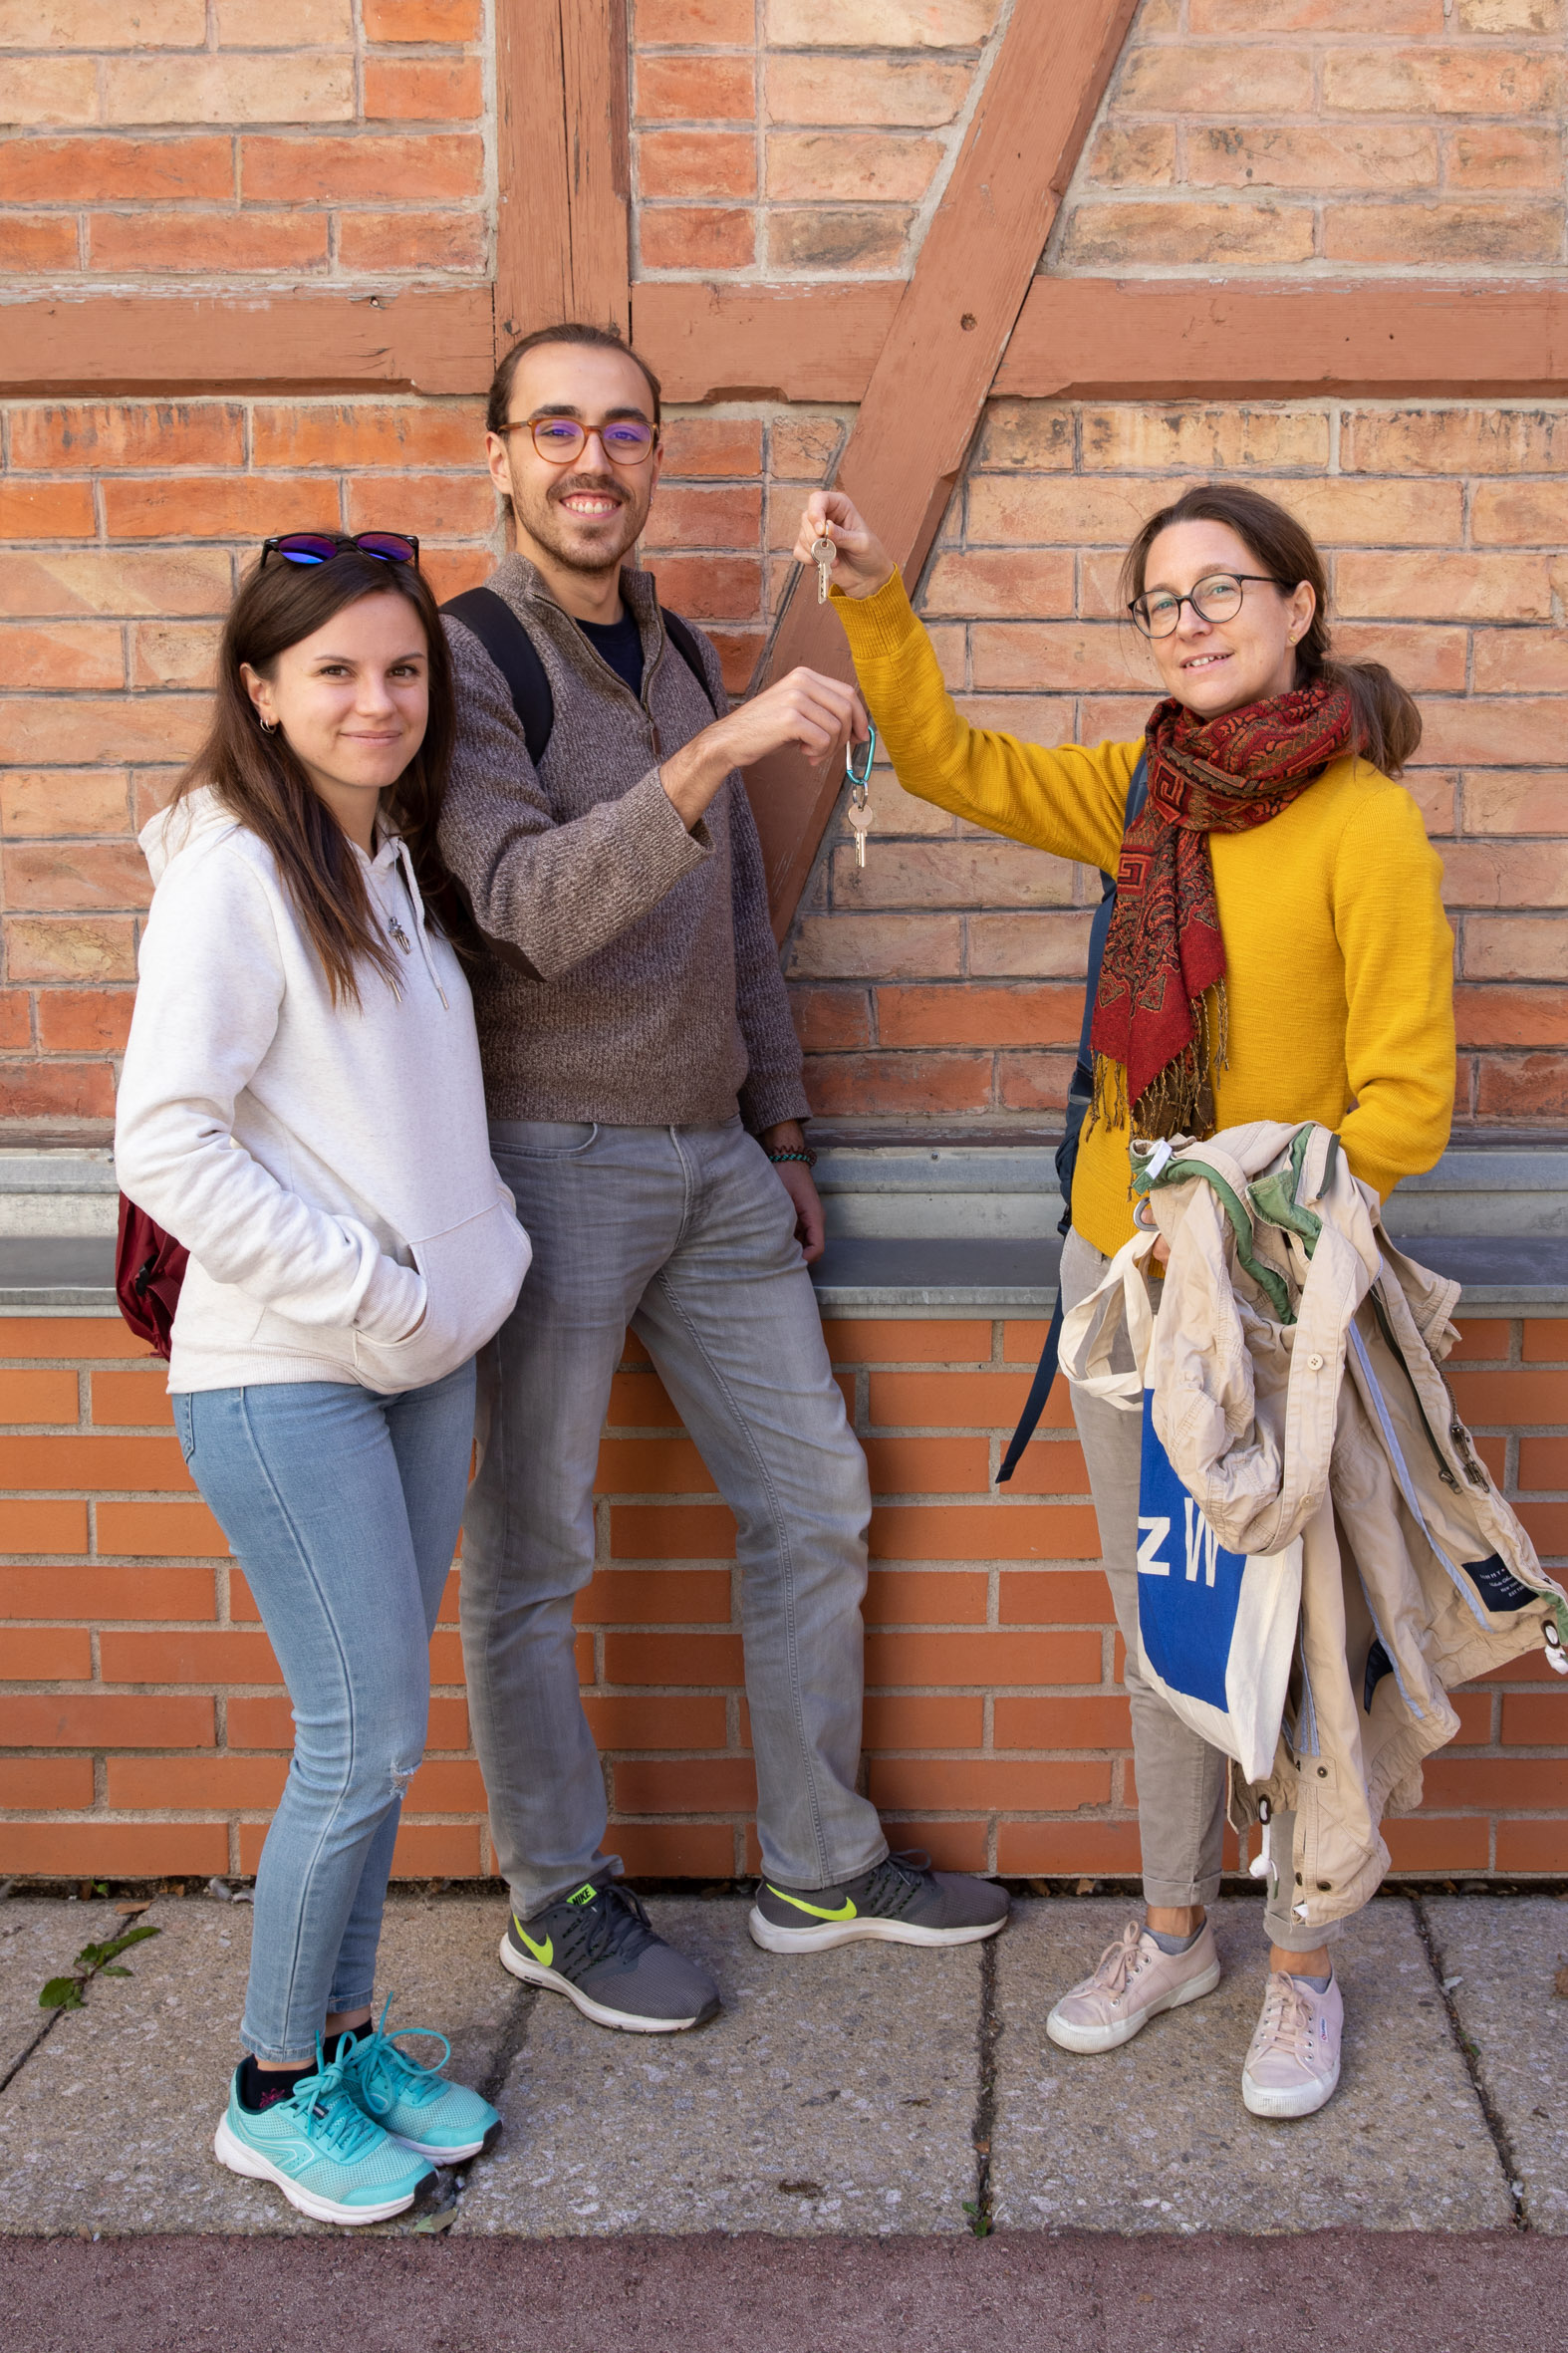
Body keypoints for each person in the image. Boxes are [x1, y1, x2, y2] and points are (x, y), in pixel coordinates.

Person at [799, 477, 1453, 2119]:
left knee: (1302, 1640)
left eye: (1221, 586)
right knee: (1167, 1624)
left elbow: (1407, 1100)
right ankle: (1174, 1928)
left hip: (1278, 1294)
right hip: (1122, 1282)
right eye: (1159, 598)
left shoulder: (1361, 818)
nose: (1191, 618)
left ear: (1298, 604)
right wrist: (876, 598)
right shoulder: (1137, 794)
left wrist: (1247, 1215)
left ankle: (1302, 1961)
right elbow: (948, 759)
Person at [437, 322, 1009, 2033]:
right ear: (499, 459)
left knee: (816, 1498)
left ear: (652, 455)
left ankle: (819, 1861)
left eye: (622, 429)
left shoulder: (678, 641)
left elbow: (733, 919)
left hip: (715, 1166)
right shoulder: (466, 659)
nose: (590, 459)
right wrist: (713, 753)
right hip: (549, 1159)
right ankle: (553, 1896)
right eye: (555, 430)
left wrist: (782, 1127)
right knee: (532, 1551)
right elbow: (528, 907)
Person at [115, 533, 532, 2224]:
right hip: (287, 1368)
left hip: (418, 1359)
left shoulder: (391, 863)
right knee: (358, 1736)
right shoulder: (231, 874)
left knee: (377, 1731)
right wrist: (368, 1285)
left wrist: (454, 1282)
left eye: (402, 670)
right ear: (261, 691)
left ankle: (348, 2040)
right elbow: (166, 1141)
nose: (377, 700)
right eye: (338, 671)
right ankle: (270, 2086)